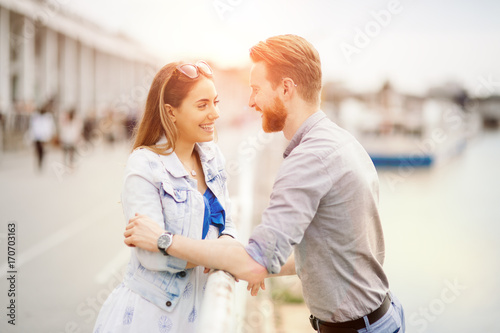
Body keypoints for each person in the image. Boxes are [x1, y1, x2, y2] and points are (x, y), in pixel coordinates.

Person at [124, 35, 405, 333]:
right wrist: (257, 266)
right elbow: (328, 251)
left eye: (256, 89)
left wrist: (164, 240)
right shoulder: (340, 141)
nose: (250, 101)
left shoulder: (308, 160)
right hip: (381, 317)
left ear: (285, 88)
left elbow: (253, 264)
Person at [93, 60, 237, 333]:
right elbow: (152, 257)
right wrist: (222, 255)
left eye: (215, 102)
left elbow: (228, 225)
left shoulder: (213, 157)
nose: (215, 113)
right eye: (202, 105)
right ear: (171, 112)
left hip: (203, 311)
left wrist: (220, 249)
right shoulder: (144, 165)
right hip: (153, 317)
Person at [29, 105, 55, 171]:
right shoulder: (35, 117)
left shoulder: (48, 117)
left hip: (44, 138)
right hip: (37, 137)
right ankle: (39, 161)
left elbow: (50, 128)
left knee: (42, 150)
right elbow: (33, 127)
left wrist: (49, 136)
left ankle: (41, 162)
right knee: (38, 150)